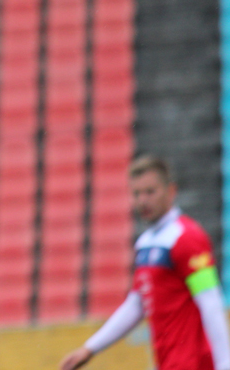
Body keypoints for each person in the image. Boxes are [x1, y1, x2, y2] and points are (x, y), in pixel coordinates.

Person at [60, 155, 230, 370]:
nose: (143, 200)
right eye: (136, 193)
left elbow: (210, 301)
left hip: (195, 363)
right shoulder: (145, 244)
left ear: (171, 191)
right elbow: (137, 303)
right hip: (168, 363)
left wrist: (225, 364)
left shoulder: (186, 237)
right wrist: (90, 348)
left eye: (150, 192)